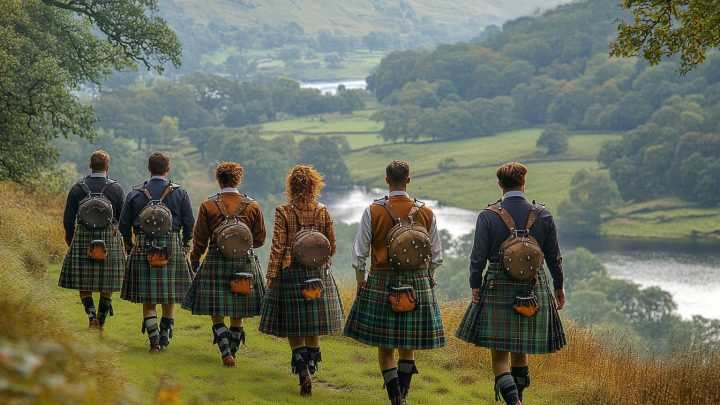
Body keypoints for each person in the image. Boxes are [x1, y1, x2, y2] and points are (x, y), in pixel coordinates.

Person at [455, 162, 566, 405]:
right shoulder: (543, 215)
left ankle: (513, 402)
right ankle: (518, 400)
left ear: (500, 184)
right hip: (533, 286)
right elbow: (554, 257)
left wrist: (475, 283)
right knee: (520, 349)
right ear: (523, 183)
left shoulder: (488, 216)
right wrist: (559, 286)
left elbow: (478, 256)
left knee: (499, 354)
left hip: (497, 285)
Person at [345, 160, 445, 405]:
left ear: (387, 180)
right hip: (417, 281)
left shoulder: (373, 210)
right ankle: (403, 394)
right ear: (408, 180)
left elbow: (359, 254)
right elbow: (437, 255)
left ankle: (395, 398)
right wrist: (428, 275)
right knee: (407, 343)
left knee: (385, 346)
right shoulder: (426, 212)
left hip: (382, 280)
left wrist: (361, 280)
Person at [259, 165, 345, 397]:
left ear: (291, 187)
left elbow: (278, 246)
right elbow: (332, 246)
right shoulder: (323, 211)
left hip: (290, 271)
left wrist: (271, 274)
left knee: (295, 325)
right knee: (313, 322)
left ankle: (303, 371)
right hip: (317, 272)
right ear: (314, 185)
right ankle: (312, 359)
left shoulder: (283, 211)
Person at [182, 162, 267, 367]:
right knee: (238, 309)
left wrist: (194, 260)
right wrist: (241, 244)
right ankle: (233, 352)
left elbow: (200, 239)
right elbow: (260, 239)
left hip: (215, 261)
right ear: (238, 179)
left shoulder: (208, 205)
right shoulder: (253, 205)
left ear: (218, 179)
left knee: (216, 308)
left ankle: (225, 350)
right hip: (244, 262)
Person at [119, 152, 194, 353]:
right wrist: (187, 243)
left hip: (144, 245)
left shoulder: (135, 193)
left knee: (149, 298)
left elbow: (124, 223)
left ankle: (154, 343)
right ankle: (164, 338)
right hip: (171, 245)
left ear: (149, 168)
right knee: (169, 296)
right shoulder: (180, 193)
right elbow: (189, 222)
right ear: (167, 169)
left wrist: (129, 243)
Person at [59, 150, 126, 329]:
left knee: (84, 280)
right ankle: (101, 318)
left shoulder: (77, 188)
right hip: (109, 239)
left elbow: (68, 219)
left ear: (90, 165)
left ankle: (91, 316)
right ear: (107, 166)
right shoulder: (117, 189)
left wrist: (70, 238)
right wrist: (121, 237)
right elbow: (123, 219)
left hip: (83, 238)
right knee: (108, 281)